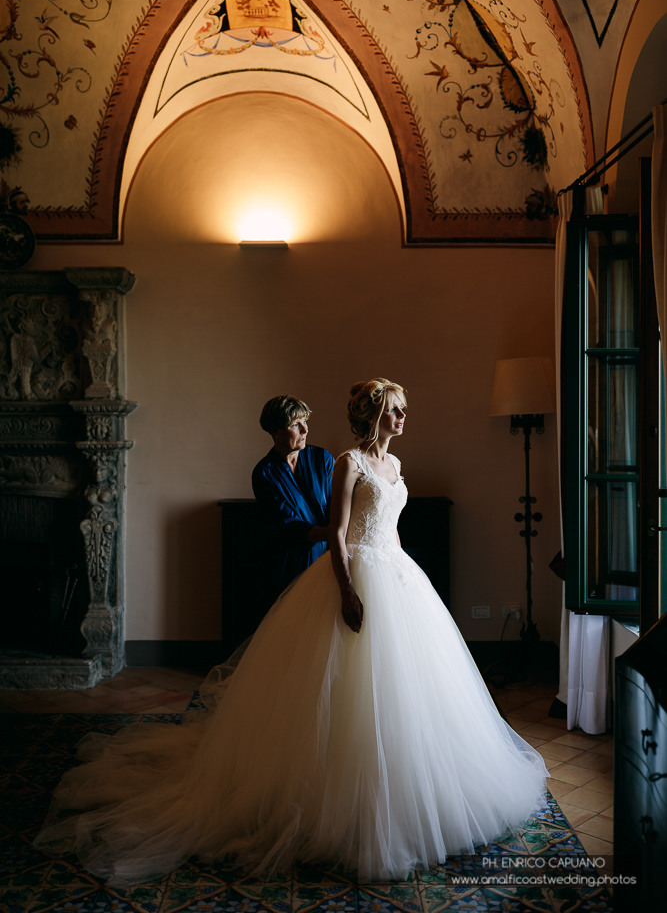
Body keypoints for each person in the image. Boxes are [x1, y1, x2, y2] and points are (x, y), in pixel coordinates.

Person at [34, 378, 548, 885]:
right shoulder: (337, 463)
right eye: (394, 409)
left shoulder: (385, 464)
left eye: (403, 409)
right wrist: (347, 589)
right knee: (331, 684)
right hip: (340, 568)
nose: (402, 417)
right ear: (373, 416)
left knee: (407, 690)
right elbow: (335, 531)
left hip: (398, 574)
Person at [252, 395, 334, 595]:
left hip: (332, 557)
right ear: (275, 430)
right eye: (296, 424)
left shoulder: (322, 459)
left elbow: (338, 504)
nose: (305, 429)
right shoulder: (264, 473)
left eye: (305, 421)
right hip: (292, 564)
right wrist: (334, 533)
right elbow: (288, 524)